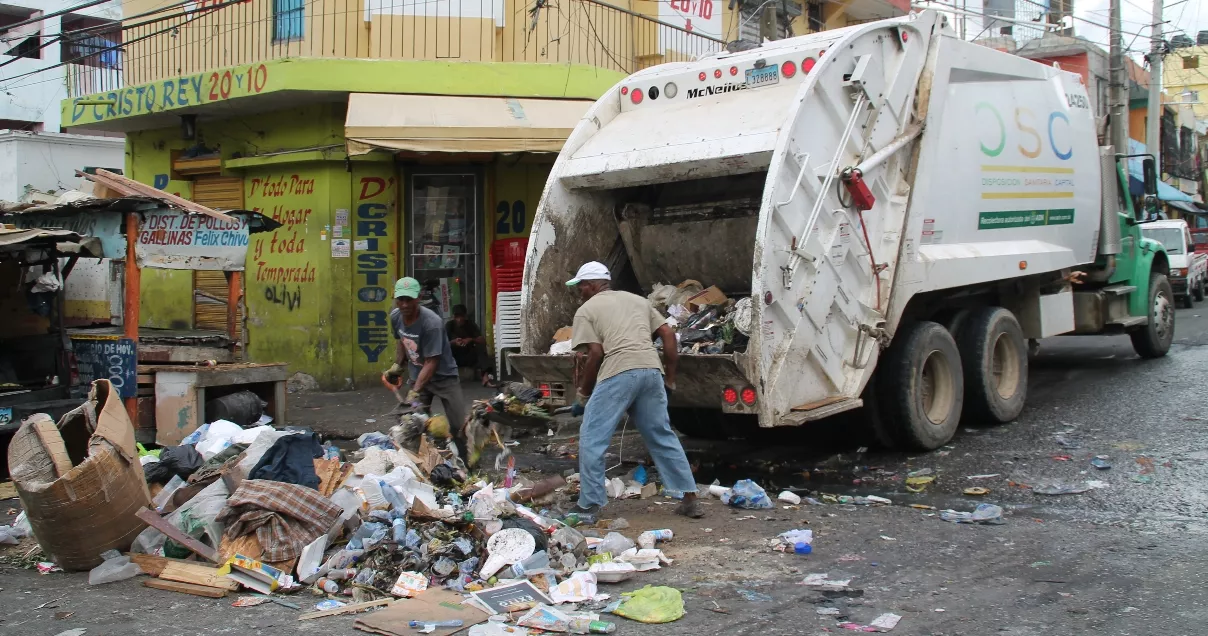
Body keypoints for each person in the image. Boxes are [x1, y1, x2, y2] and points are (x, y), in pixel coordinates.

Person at [566, 261, 704, 518]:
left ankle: (589, 504)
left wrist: (583, 396)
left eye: (582, 285)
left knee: (592, 438)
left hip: (619, 371)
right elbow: (668, 334)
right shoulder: (639, 301)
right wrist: (670, 379)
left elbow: (595, 354)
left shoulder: (586, 310)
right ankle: (689, 497)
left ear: (593, 284)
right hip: (651, 371)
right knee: (661, 435)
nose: (580, 291)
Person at [385, 277, 468, 461]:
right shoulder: (395, 316)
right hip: (418, 379)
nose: (405, 304)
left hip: (444, 379)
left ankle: (468, 466)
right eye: (401, 299)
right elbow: (402, 341)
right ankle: (421, 464)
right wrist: (398, 366)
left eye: (409, 299)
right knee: (410, 423)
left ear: (418, 298)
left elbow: (432, 362)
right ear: (395, 298)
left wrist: (414, 391)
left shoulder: (432, 323)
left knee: (458, 427)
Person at [446, 304, 494, 385]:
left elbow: (483, 341)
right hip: (454, 357)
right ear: (453, 317)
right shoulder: (449, 325)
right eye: (457, 316)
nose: (459, 319)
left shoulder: (470, 324)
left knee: (480, 347)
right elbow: (442, 343)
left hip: (468, 356)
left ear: (465, 316)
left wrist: (471, 339)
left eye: (461, 316)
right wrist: (454, 342)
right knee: (444, 349)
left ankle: (485, 377)